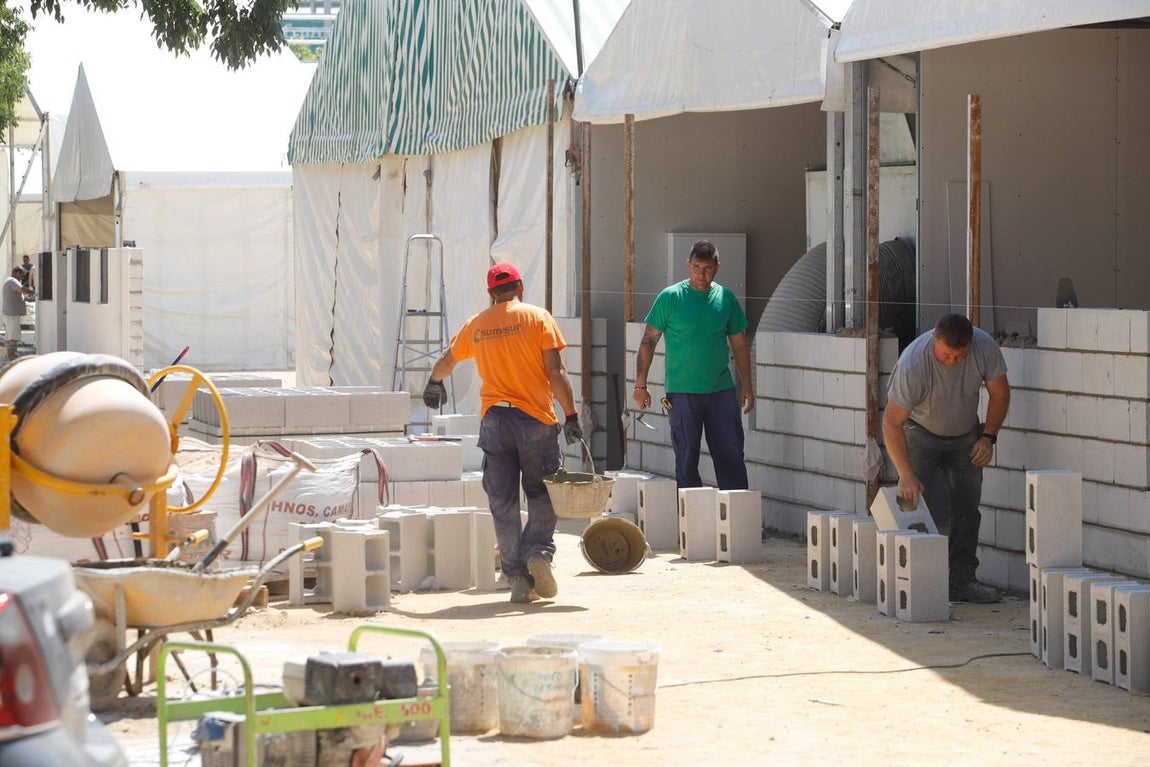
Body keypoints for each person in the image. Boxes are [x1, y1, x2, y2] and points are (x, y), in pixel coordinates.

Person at [422, 262, 582, 604]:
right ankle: (538, 550)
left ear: (491, 293)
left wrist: (433, 383)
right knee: (542, 494)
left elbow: (447, 361)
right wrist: (571, 415)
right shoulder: (538, 318)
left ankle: (516, 577)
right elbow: (556, 373)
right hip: (535, 420)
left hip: (495, 422)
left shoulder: (477, 324)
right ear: (520, 286)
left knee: (503, 501)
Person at [882, 313, 1011, 604]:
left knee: (967, 508)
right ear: (933, 341)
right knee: (908, 501)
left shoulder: (984, 348)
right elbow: (891, 423)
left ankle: (961, 580)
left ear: (970, 344)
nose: (952, 360)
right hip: (920, 432)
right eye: (946, 354)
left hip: (966, 435)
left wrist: (988, 437)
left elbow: (1000, 394)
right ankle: (904, 578)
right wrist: (905, 472)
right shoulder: (913, 363)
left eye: (959, 355)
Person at [632, 239, 753, 490]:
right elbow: (648, 341)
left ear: (717, 267)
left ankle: (735, 521)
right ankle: (691, 522)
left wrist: (747, 386)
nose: (702, 273)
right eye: (696, 267)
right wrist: (640, 385)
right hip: (683, 391)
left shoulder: (725, 298)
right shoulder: (671, 297)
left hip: (721, 391)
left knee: (731, 455)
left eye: (707, 268)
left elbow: (739, 344)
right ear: (688, 265)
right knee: (686, 460)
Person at [2, 267, 33, 363]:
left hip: (10, 313)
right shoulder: (12, 281)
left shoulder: (10, 281)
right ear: (16, 273)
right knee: (13, 336)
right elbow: (22, 289)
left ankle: (9, 356)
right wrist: (33, 292)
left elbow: (19, 294)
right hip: (11, 314)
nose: (22, 278)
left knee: (11, 335)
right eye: (21, 275)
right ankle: (12, 358)